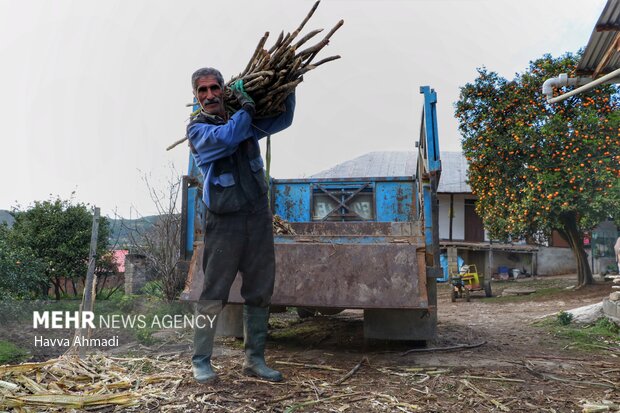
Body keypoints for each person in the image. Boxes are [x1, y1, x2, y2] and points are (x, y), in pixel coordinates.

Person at [186, 67, 295, 384]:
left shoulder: (244, 121)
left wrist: (289, 82)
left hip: (257, 215)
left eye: (215, 88)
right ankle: (201, 361)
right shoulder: (198, 131)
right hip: (224, 220)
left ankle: (255, 360)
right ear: (196, 96)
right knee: (214, 291)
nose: (210, 95)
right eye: (203, 90)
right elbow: (229, 136)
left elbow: (283, 120)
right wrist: (247, 107)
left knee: (260, 288)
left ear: (223, 89)